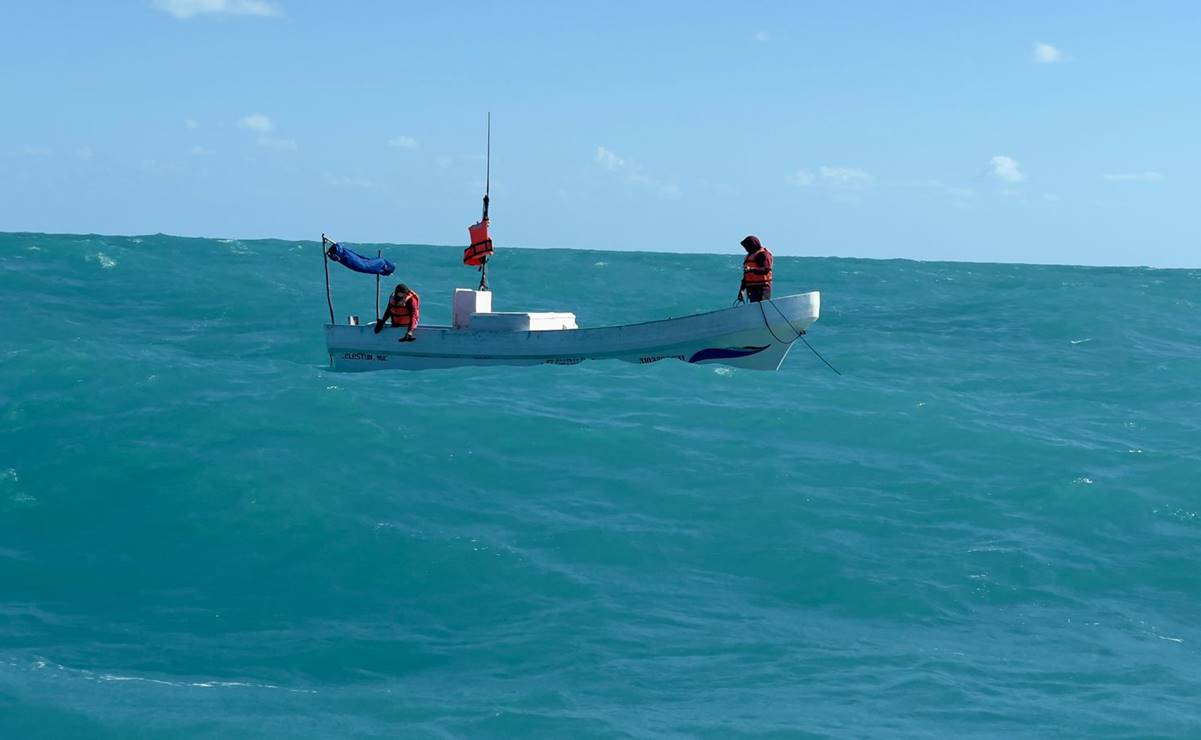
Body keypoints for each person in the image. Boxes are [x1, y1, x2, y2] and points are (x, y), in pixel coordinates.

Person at [737, 235, 773, 303]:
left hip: (763, 290)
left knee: (761, 308)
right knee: (755, 309)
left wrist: (751, 269)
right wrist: (741, 291)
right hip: (752, 290)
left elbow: (766, 270)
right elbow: (746, 277)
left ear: (752, 245)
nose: (746, 249)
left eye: (747, 247)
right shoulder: (748, 256)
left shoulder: (762, 254)